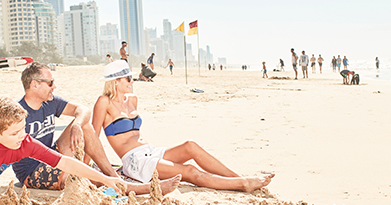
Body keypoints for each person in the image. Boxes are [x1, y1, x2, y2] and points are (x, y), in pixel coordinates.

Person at [91, 60, 274, 192]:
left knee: (190, 146)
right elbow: (92, 136)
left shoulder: (132, 99)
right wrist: (96, 168)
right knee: (189, 171)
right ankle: (243, 184)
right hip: (135, 161)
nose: (133, 81)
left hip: (151, 151)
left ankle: (237, 178)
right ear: (116, 82)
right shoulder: (103, 102)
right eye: (128, 79)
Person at [12, 62, 178, 195]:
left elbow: (84, 110)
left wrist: (77, 124)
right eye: (50, 83)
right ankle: (132, 188)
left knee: (84, 123)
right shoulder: (18, 114)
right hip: (32, 170)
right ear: (34, 85)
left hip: (52, 153)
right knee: (76, 176)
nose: (54, 87)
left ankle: (113, 177)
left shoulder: (50, 102)